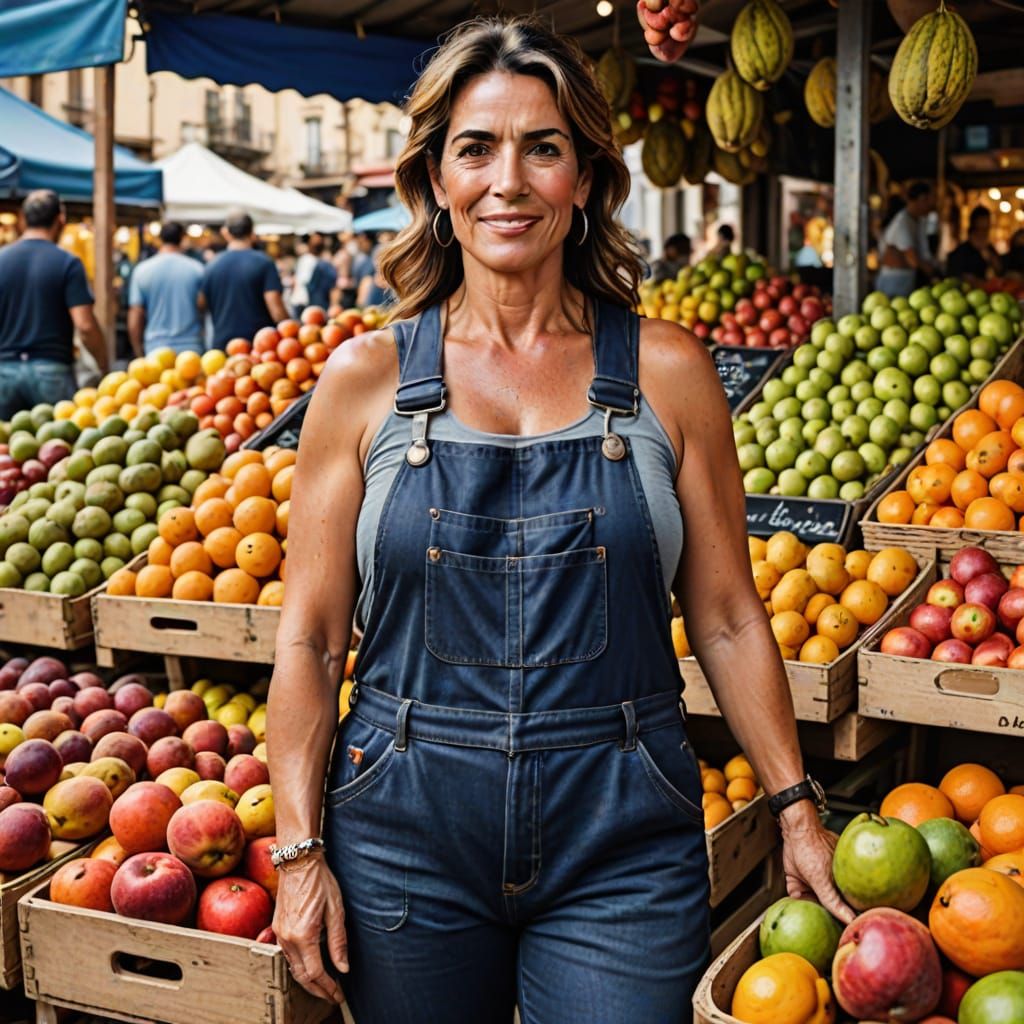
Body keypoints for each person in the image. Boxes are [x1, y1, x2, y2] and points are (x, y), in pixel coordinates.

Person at [267, 16, 849, 1023]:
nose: (509, 179)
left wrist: (795, 805)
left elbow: (725, 616)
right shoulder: (360, 382)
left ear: (583, 178)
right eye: (476, 148)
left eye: (543, 147)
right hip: (405, 825)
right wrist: (295, 851)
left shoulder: (668, 371)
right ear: (436, 181)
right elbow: (312, 641)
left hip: (620, 829)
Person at [0, 190, 108, 417]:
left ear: (22, 218)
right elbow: (85, 326)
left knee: (5, 449)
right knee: (57, 448)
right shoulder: (68, 263)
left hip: (4, 371)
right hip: (52, 371)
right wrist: (104, 365)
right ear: (61, 220)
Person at [199, 210, 288, 348]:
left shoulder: (211, 265)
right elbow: (276, 309)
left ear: (225, 233)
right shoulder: (264, 263)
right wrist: (291, 333)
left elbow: (201, 303)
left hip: (223, 347)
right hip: (259, 348)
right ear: (252, 233)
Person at [126, 221, 204, 357]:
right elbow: (202, 305)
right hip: (191, 349)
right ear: (183, 238)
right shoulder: (197, 269)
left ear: (159, 240)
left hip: (156, 347)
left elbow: (135, 314)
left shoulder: (142, 270)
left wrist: (138, 349)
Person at [875, 182, 936, 297]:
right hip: (893, 280)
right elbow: (912, 259)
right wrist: (931, 272)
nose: (931, 205)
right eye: (929, 200)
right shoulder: (902, 223)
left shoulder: (919, 221)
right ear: (921, 199)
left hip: (906, 278)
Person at [946, 205, 1002, 284]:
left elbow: (1000, 271)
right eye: (980, 229)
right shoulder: (960, 253)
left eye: (986, 229)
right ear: (973, 228)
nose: (983, 233)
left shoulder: (989, 249)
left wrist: (987, 254)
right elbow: (954, 277)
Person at [290, 233, 338, 316]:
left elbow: (333, 287)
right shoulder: (307, 261)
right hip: (305, 303)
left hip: (310, 304)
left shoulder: (321, 264)